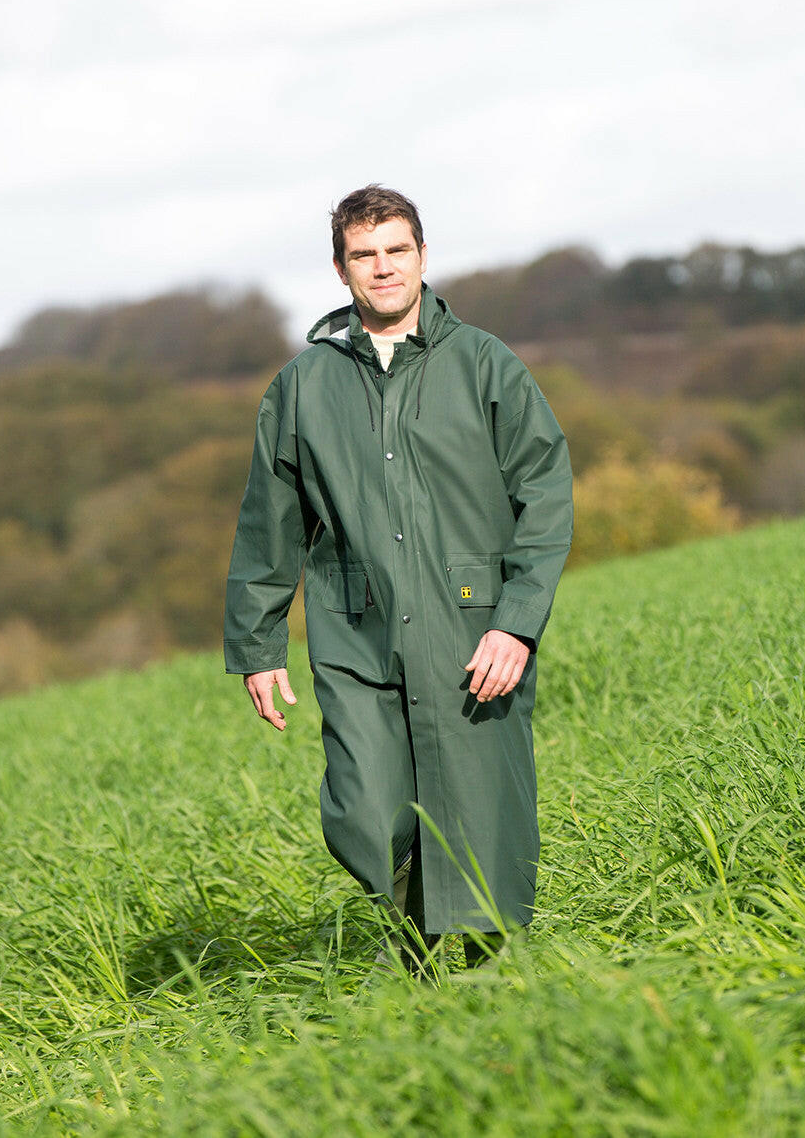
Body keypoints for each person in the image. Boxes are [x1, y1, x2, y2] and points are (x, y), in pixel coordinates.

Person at [223, 184, 574, 972]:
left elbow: (545, 496)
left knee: (482, 809)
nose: (382, 268)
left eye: (396, 250)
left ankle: (479, 977)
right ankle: (419, 924)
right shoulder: (302, 386)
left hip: (472, 627)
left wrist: (516, 621)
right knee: (366, 809)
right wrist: (258, 644)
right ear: (341, 270)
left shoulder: (485, 363)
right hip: (357, 629)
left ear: (421, 255)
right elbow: (269, 522)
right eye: (363, 255)